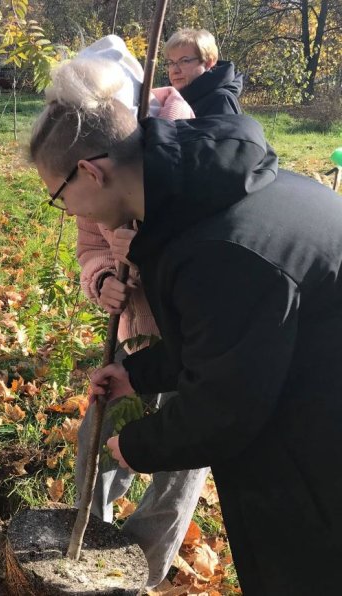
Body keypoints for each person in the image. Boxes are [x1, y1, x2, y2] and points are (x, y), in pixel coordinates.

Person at [30, 54, 342, 594]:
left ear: (90, 172)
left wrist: (138, 445)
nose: (64, 211)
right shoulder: (208, 194)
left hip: (316, 451)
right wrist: (141, 375)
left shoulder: (217, 248)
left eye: (59, 197)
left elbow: (225, 406)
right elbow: (226, 340)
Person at [69, 35, 209, 589]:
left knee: (180, 455)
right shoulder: (80, 150)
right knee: (100, 431)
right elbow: (89, 240)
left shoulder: (177, 129)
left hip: (196, 327)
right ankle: (89, 538)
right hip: (136, 327)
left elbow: (205, 234)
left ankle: (142, 568)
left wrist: (145, 245)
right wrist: (101, 276)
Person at [163, 28, 242, 116]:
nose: (174, 70)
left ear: (208, 63)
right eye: (171, 62)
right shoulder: (166, 99)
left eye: (184, 61)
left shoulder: (220, 100)